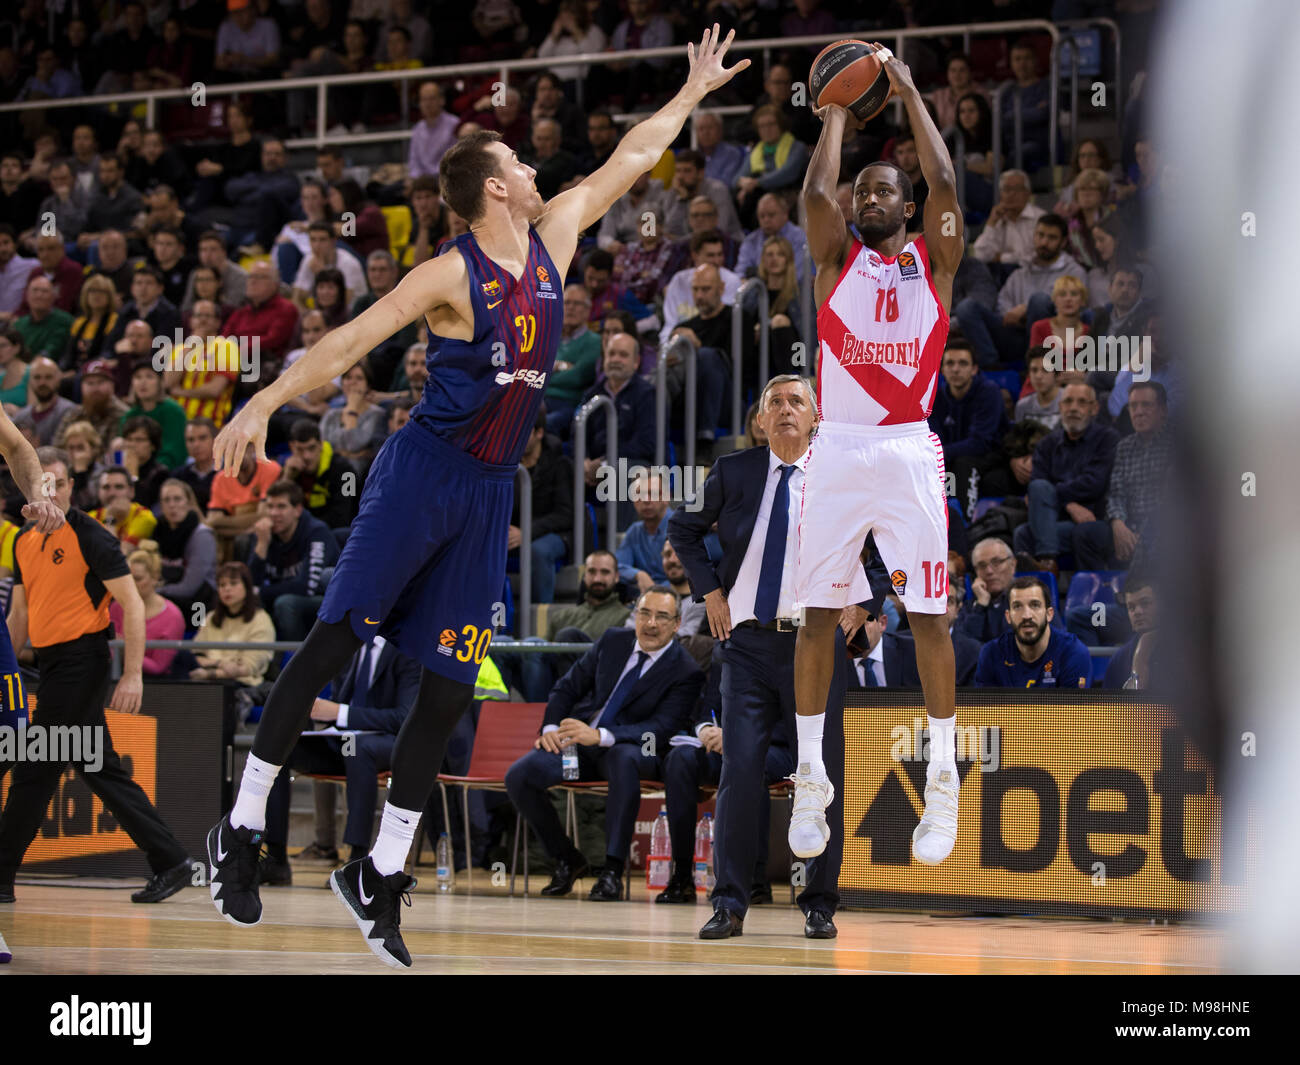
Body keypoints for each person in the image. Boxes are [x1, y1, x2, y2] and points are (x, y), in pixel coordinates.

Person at [203, 28, 748, 967]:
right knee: (334, 638)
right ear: (495, 185)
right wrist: (260, 398)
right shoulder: (450, 272)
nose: (538, 168)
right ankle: (242, 827)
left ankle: (379, 871)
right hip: (421, 473)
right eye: (521, 162)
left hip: (489, 491)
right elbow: (347, 344)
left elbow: (636, 154)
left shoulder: (557, 239)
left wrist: (694, 88)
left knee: (450, 685)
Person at [795, 47, 963, 869]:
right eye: (863, 189)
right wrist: (832, 111)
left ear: (907, 206)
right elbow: (813, 195)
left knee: (928, 616)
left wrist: (903, 91)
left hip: (905, 450)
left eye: (882, 189)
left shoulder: (935, 258)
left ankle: (942, 777)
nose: (868, 196)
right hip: (837, 449)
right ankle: (810, 777)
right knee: (817, 615)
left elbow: (944, 182)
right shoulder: (835, 259)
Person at [668, 374, 853, 939]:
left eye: (797, 400)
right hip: (746, 646)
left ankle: (819, 902)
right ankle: (729, 902)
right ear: (760, 419)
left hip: (815, 643)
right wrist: (712, 592)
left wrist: (863, 605)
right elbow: (683, 526)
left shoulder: (840, 475)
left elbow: (880, 541)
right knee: (738, 773)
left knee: (820, 775)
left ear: (816, 417)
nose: (786, 409)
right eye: (774, 402)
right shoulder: (733, 471)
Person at [0, 446, 193, 907]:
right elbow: (20, 614)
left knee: (35, 768)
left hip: (83, 662)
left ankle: (1, 875)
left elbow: (130, 605)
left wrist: (132, 676)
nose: (51, 490)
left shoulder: (92, 536)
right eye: (42, 482)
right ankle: (171, 860)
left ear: (71, 487)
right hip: (48, 665)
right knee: (96, 766)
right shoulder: (22, 540)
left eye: (60, 482)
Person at [504, 586, 704, 901]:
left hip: (640, 749)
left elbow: (660, 729)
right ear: (635, 615)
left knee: (623, 759)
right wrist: (551, 727)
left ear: (677, 624)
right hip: (580, 749)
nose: (651, 624)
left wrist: (601, 736)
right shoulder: (613, 641)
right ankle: (567, 859)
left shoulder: (686, 670)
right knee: (520, 775)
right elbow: (566, 688)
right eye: (644, 613)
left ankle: (611, 871)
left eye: (662, 617)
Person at [261, 636, 423, 885]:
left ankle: (356, 860)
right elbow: (339, 705)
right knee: (281, 746)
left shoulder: (407, 651)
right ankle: (276, 858)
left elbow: (403, 717)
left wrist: (340, 712)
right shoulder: (353, 647)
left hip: (390, 743)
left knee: (358, 750)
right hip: (347, 741)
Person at [1012, 382, 1119, 575]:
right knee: (1022, 532)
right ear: (1060, 407)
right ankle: (1043, 576)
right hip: (1054, 520)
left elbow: (1094, 484)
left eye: (1081, 402)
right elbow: (1036, 486)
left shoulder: (1107, 439)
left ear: (1094, 408)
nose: (1073, 408)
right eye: (1068, 402)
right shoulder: (1047, 444)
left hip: (1093, 518)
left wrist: (1055, 495)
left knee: (1043, 493)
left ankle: (1047, 564)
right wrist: (1069, 504)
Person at [247, 481, 340, 640]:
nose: (274, 513)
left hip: (327, 602)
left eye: (281, 507)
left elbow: (307, 586)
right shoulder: (265, 534)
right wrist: (262, 545)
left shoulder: (316, 533)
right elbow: (250, 585)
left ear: (297, 510)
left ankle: (297, 657)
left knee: (285, 603)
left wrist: (260, 592)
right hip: (285, 595)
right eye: (270, 506)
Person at [974, 576, 1091, 688]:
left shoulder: (1072, 652)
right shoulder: (992, 653)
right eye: (1017, 606)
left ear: (1049, 614)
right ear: (1008, 616)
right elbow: (985, 708)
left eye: (1035, 605)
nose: (1026, 616)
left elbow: (1073, 708)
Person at [190, 561, 276, 694]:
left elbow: (247, 669)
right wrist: (221, 664)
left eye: (233, 583)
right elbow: (196, 655)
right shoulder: (210, 617)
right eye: (222, 585)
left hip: (243, 686)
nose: (227, 589)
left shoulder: (261, 619)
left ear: (247, 587)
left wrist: (211, 673)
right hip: (206, 682)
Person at [108, 540, 185, 676]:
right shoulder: (116, 607)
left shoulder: (173, 616)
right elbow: (108, 652)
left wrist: (125, 648)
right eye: (127, 578)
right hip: (114, 678)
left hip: (156, 687)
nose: (131, 584)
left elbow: (158, 667)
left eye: (137, 578)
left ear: (155, 578)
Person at [153, 478, 216, 618]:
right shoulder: (157, 531)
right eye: (166, 500)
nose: (172, 505)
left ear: (188, 503)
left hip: (199, 601)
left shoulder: (202, 536)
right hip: (168, 593)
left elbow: (190, 587)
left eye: (177, 499)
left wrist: (156, 591)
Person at [89, 465, 157, 547]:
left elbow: (120, 556)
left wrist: (110, 520)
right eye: (106, 487)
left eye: (119, 487)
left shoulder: (143, 516)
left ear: (131, 491)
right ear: (98, 492)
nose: (112, 493)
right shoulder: (90, 519)